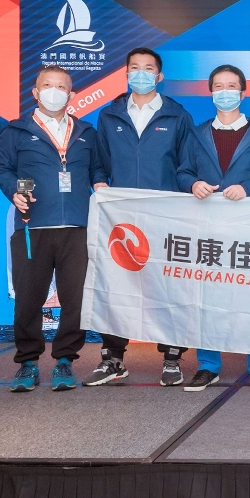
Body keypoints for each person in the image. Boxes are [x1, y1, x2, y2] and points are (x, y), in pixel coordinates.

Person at [87, 47, 196, 387]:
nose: (141, 73)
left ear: (159, 76)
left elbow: (187, 165)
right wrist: (100, 182)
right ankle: (113, 358)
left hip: (166, 215)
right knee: (116, 286)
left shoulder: (178, 116)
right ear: (126, 73)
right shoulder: (109, 115)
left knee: (168, 286)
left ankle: (172, 359)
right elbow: (99, 162)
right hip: (121, 218)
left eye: (148, 68)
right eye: (135, 67)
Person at [0, 66, 103, 392]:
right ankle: (27, 363)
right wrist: (13, 190)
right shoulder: (16, 131)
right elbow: (2, 169)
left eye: (61, 87)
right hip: (32, 227)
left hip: (78, 228)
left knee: (75, 299)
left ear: (71, 95)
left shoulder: (86, 132)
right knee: (28, 298)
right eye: (47, 85)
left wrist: (100, 183)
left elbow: (97, 168)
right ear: (36, 92)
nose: (54, 92)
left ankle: (65, 360)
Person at [179, 64, 250, 391]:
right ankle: (208, 365)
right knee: (207, 296)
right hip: (208, 228)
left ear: (243, 92)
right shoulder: (196, 133)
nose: (225, 92)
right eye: (218, 86)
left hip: (249, 227)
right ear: (210, 92)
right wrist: (193, 184)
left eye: (231, 86)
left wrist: (247, 188)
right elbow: (182, 172)